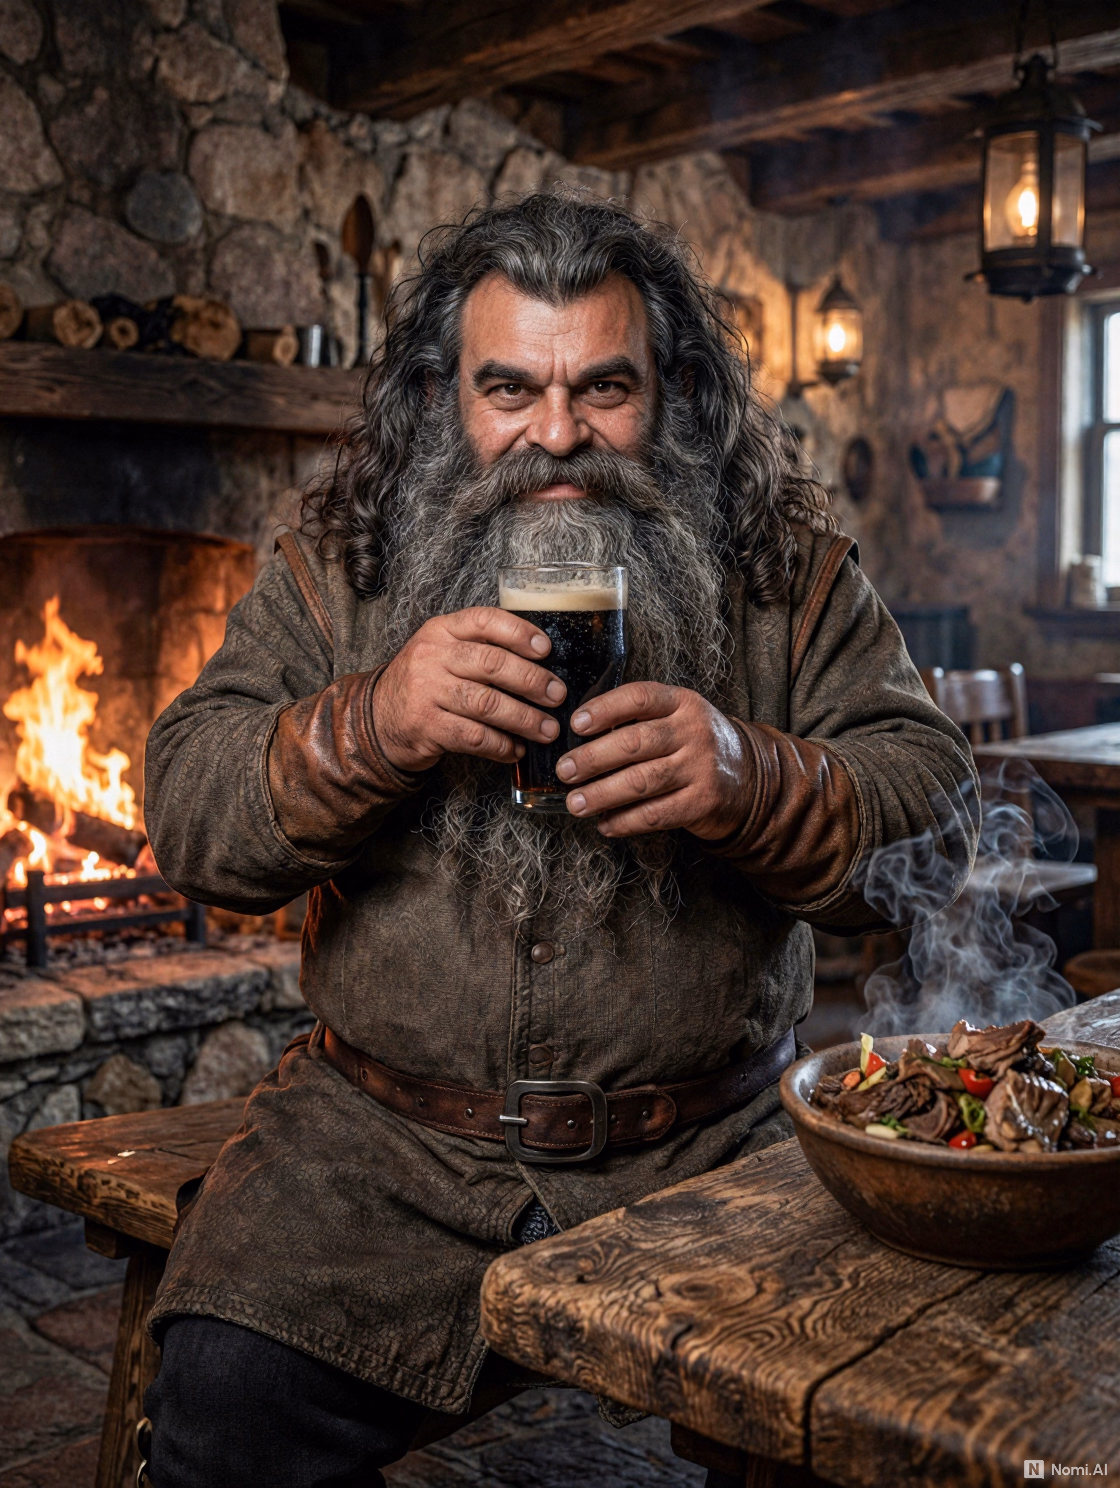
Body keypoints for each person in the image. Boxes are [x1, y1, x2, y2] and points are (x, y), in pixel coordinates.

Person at [142, 190, 978, 1486]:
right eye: (509, 390)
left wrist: (754, 777)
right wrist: (374, 722)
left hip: (713, 1150)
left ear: (673, 391)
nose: (556, 436)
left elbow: (938, 818)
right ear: (444, 398)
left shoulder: (788, 567)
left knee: (848, 1427)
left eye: (604, 387)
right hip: (382, 1155)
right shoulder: (336, 564)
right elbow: (191, 819)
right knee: (223, 1394)